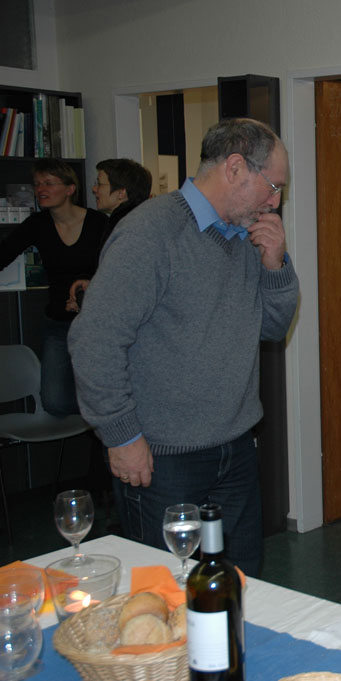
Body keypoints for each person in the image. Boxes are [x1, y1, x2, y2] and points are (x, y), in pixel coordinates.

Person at [68, 118, 299, 576]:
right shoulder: (150, 233)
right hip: (163, 458)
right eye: (273, 187)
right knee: (168, 592)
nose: (275, 202)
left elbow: (272, 329)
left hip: (235, 448)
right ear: (235, 168)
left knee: (243, 586)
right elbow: (95, 340)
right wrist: (121, 435)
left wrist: (275, 266)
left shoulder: (247, 235)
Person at [0, 159, 108, 415]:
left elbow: (117, 271)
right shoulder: (37, 224)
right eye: (37, 184)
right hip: (59, 324)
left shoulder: (98, 223)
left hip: (97, 324)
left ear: (70, 189)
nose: (40, 189)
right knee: (54, 402)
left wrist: (88, 292)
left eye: (48, 183)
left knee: (104, 392)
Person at [66, 158, 153, 312]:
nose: (94, 189)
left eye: (100, 184)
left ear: (121, 193)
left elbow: (121, 289)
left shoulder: (128, 229)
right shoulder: (135, 221)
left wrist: (84, 301)